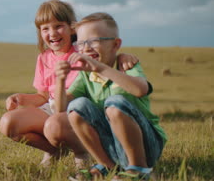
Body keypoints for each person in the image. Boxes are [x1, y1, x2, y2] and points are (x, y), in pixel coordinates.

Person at [0, 0, 138, 168]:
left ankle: (82, 153)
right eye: (45, 28)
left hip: (80, 111)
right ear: (40, 33)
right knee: (8, 123)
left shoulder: (83, 50)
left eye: (58, 26)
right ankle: (54, 150)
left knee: (55, 124)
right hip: (53, 107)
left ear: (72, 28)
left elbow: (107, 56)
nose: (53, 33)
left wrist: (124, 57)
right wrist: (21, 99)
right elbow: (43, 96)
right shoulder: (43, 58)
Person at [54, 12, 166, 180]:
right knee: (76, 107)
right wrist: (60, 80)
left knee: (115, 103)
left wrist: (100, 67)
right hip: (113, 146)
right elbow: (61, 109)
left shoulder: (126, 65)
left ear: (115, 44)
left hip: (146, 146)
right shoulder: (86, 75)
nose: (86, 48)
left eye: (94, 41)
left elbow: (140, 89)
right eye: (81, 42)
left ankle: (139, 170)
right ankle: (107, 166)